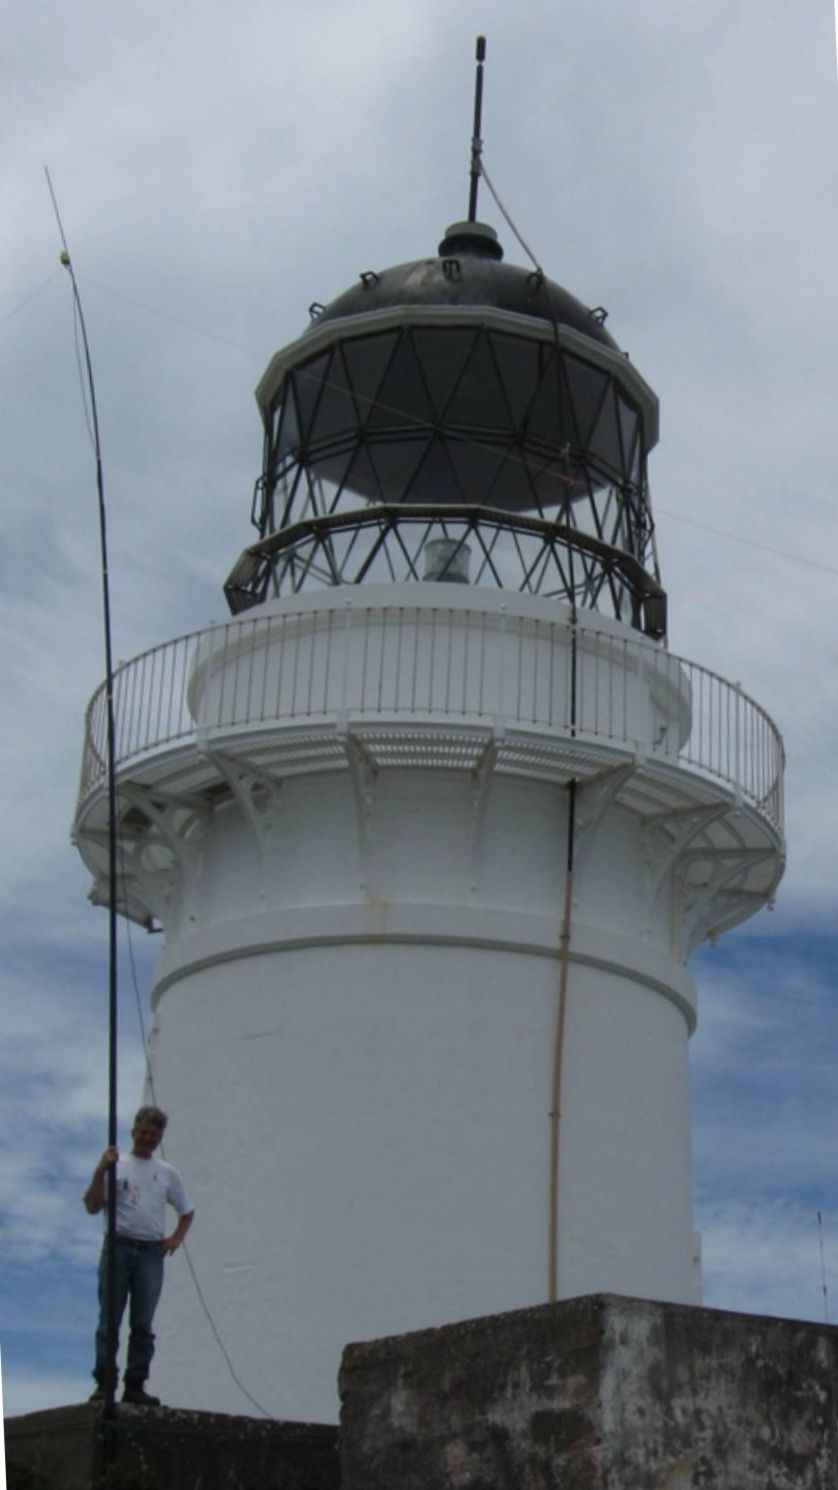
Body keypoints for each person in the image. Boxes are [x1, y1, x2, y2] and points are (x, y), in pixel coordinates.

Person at [84, 1105, 195, 1406]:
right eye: (143, 1132)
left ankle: (135, 1384)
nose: (147, 1138)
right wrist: (100, 1170)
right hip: (118, 1246)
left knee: (143, 1324)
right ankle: (104, 1384)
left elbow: (187, 1212)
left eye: (153, 1135)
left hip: (150, 1252)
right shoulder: (116, 1165)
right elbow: (92, 1206)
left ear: (159, 1138)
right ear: (134, 1133)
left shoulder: (167, 1173)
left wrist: (175, 1239)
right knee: (110, 1321)